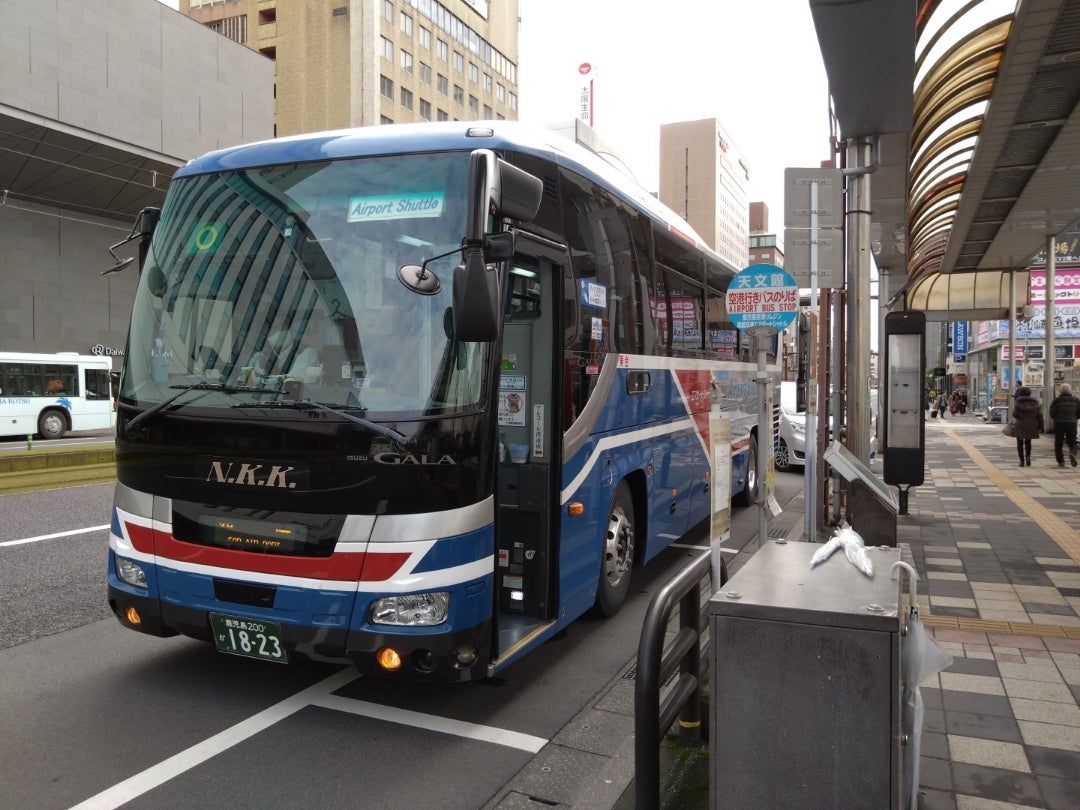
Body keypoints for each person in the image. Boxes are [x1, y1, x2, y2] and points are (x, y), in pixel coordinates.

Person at [1049, 382, 1080, 468]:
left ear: (1060, 391)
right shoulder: (1076, 400)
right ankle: (1072, 453)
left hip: (1059, 423)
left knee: (1058, 443)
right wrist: (1074, 418)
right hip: (1072, 423)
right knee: (1072, 441)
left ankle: (1061, 462)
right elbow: (1079, 413)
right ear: (1070, 390)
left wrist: (1056, 418)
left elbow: (1052, 413)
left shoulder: (1056, 400)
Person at [1011, 385, 1043, 467]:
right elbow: (1039, 415)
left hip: (1020, 424)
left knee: (1020, 442)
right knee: (1028, 441)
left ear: (1020, 393)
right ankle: (1028, 457)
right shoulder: (1035, 402)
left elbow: (1015, 414)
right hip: (1031, 424)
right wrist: (1040, 426)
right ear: (1030, 393)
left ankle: (1021, 461)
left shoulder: (1017, 402)